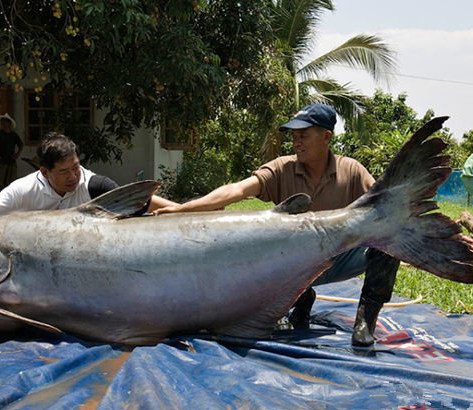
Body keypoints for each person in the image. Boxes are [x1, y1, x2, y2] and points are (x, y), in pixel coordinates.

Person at [155, 103, 400, 346]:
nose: (296, 142)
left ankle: (365, 321)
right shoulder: (283, 168)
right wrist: (181, 209)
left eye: (303, 135)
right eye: (294, 136)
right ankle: (299, 299)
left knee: (388, 240)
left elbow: (384, 206)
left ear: (326, 137)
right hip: (291, 265)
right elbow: (237, 190)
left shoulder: (352, 171)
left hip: (339, 258)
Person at [0, 132, 177, 242]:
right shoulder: (22, 192)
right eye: (65, 172)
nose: (73, 176)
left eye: (76, 167)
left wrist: (184, 210)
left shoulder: (93, 184)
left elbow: (140, 200)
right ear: (44, 172)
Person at [0, 113, 24, 188]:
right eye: (2, 122)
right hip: (0, 162)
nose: (3, 124)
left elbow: (21, 145)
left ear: (9, 123)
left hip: (11, 161)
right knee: (0, 183)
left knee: (11, 183)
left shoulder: (13, 135)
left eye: (5, 122)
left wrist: (17, 155)